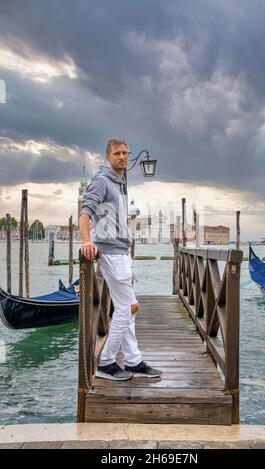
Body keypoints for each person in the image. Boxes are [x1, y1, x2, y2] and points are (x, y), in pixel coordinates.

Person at [79, 138, 162, 381]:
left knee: (128, 308)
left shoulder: (121, 180)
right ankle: (105, 363)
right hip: (112, 253)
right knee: (129, 308)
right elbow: (85, 213)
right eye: (117, 153)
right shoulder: (102, 181)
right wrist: (86, 241)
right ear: (108, 157)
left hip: (121, 251)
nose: (123, 157)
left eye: (125, 153)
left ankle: (133, 361)